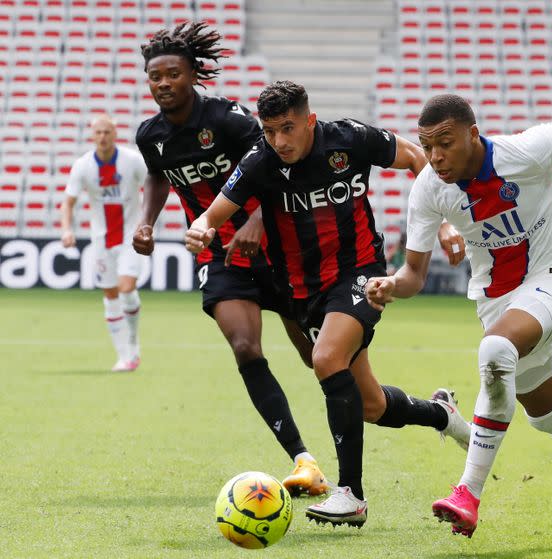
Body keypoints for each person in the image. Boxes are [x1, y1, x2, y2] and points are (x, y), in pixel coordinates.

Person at [365, 94, 552, 537]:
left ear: (473, 134)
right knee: (549, 415)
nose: (436, 156)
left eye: (445, 142)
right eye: (427, 146)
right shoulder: (428, 187)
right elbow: (414, 273)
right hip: (497, 302)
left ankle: (467, 492)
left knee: (496, 349)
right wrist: (390, 284)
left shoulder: (526, 149)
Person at [184, 81, 471, 528]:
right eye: (270, 130)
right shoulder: (260, 159)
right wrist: (201, 227)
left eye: (287, 128)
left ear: (309, 121)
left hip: (360, 272)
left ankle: (351, 494)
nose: (279, 140)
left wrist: (444, 222)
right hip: (303, 293)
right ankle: (442, 413)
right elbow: (215, 211)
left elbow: (417, 158)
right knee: (371, 404)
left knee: (325, 357)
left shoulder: (349, 138)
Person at [133, 22, 328, 497]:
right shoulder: (150, 135)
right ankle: (304, 461)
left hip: (277, 247)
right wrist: (148, 221)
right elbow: (159, 176)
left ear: (192, 74)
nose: (162, 83)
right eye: (154, 76)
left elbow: (275, 161)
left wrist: (257, 218)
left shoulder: (228, 119)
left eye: (172, 74)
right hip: (219, 253)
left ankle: (412, 412)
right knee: (244, 347)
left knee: (319, 360)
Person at [61, 114, 147, 372]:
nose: (102, 137)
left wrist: (148, 223)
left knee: (126, 287)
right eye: (98, 132)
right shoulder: (83, 165)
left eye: (106, 132)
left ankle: (132, 343)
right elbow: (69, 202)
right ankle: (125, 356)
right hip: (101, 240)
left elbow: (154, 185)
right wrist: (67, 229)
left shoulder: (132, 161)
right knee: (110, 294)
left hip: (131, 236)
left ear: (114, 133)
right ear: (91, 135)